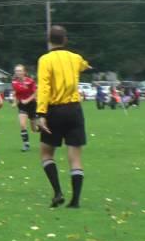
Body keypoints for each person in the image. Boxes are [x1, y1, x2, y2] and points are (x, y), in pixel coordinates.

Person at [36, 25, 91, 209]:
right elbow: (85, 65)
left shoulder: (45, 60)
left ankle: (58, 192)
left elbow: (43, 88)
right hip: (75, 110)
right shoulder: (75, 58)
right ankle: (75, 200)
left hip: (55, 110)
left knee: (46, 153)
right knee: (75, 157)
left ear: (49, 40)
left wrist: (41, 113)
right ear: (65, 40)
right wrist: (83, 66)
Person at [11, 64, 38, 152]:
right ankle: (26, 145)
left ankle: (44, 130)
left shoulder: (30, 81)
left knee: (34, 129)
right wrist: (15, 102)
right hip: (22, 105)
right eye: (17, 71)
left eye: (20, 71)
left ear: (24, 72)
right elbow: (16, 93)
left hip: (32, 105)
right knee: (22, 124)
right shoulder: (14, 82)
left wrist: (27, 100)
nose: (18, 72)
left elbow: (35, 93)